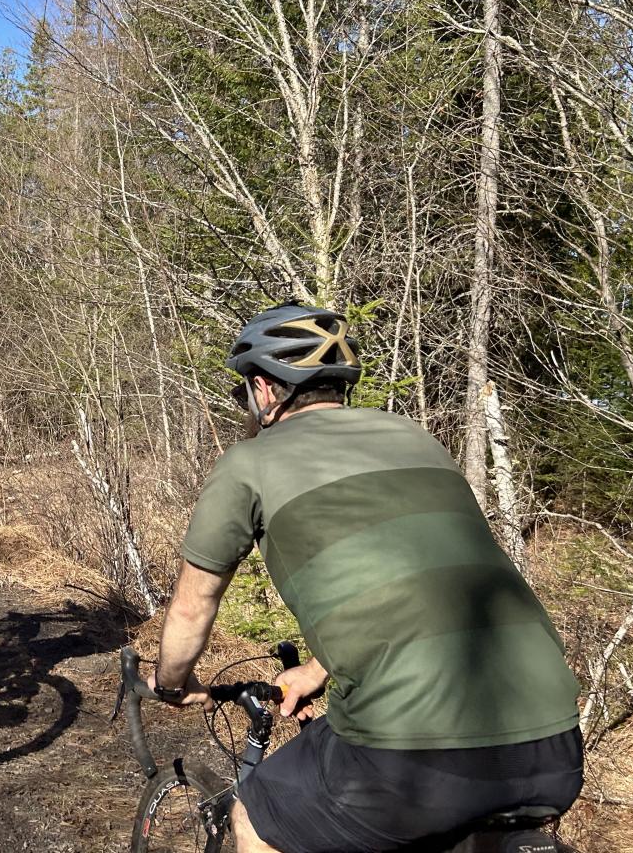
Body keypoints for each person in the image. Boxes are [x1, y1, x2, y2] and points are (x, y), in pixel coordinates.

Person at [149, 302, 583, 853]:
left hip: (408, 761)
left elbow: (192, 606)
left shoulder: (249, 463)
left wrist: (171, 682)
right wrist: (314, 669)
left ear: (264, 390)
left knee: (256, 817)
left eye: (243, 393)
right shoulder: (418, 441)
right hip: (555, 744)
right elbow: (424, 579)